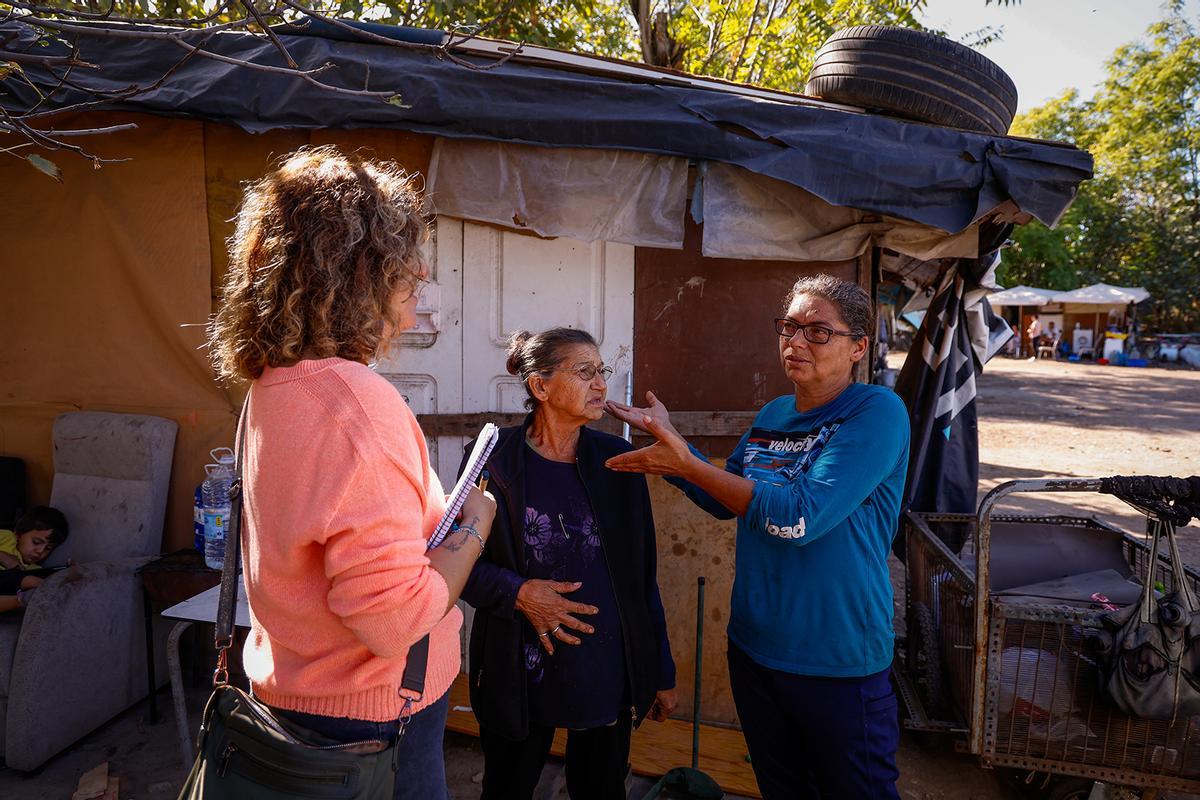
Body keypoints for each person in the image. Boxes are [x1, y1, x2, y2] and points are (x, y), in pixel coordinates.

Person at [206, 146, 496, 799]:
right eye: (403, 264)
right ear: (355, 272)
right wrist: (475, 523)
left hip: (295, 696)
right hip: (372, 725)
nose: (420, 274)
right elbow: (395, 621)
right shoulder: (356, 406)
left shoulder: (273, 387)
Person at [606, 274, 909, 800]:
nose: (795, 342)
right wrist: (673, 450)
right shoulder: (774, 414)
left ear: (859, 347)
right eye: (789, 327)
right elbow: (724, 502)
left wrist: (689, 465)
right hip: (755, 652)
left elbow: (800, 520)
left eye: (818, 332)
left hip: (837, 662)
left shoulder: (876, 413)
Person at [463, 328, 677, 800]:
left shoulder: (618, 461)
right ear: (540, 387)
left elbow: (642, 575)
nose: (600, 384)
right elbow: (457, 565)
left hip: (604, 665)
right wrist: (519, 593)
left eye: (601, 371)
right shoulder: (495, 461)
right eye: (585, 373)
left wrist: (658, 670)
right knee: (507, 786)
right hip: (520, 666)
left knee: (601, 788)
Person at [0, 505, 69, 612]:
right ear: (18, 533)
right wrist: (3, 556)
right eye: (36, 542)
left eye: (48, 548)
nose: (40, 551)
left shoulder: (35, 568)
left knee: (17, 581)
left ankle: (24, 599)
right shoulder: (6, 537)